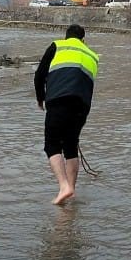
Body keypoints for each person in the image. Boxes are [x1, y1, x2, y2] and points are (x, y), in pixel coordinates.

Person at [35, 24, 99, 205]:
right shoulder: (92, 55)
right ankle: (71, 189)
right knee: (71, 145)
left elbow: (39, 75)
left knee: (52, 144)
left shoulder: (57, 46)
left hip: (58, 100)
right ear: (83, 39)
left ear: (66, 37)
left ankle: (64, 186)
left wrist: (41, 98)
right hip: (82, 105)